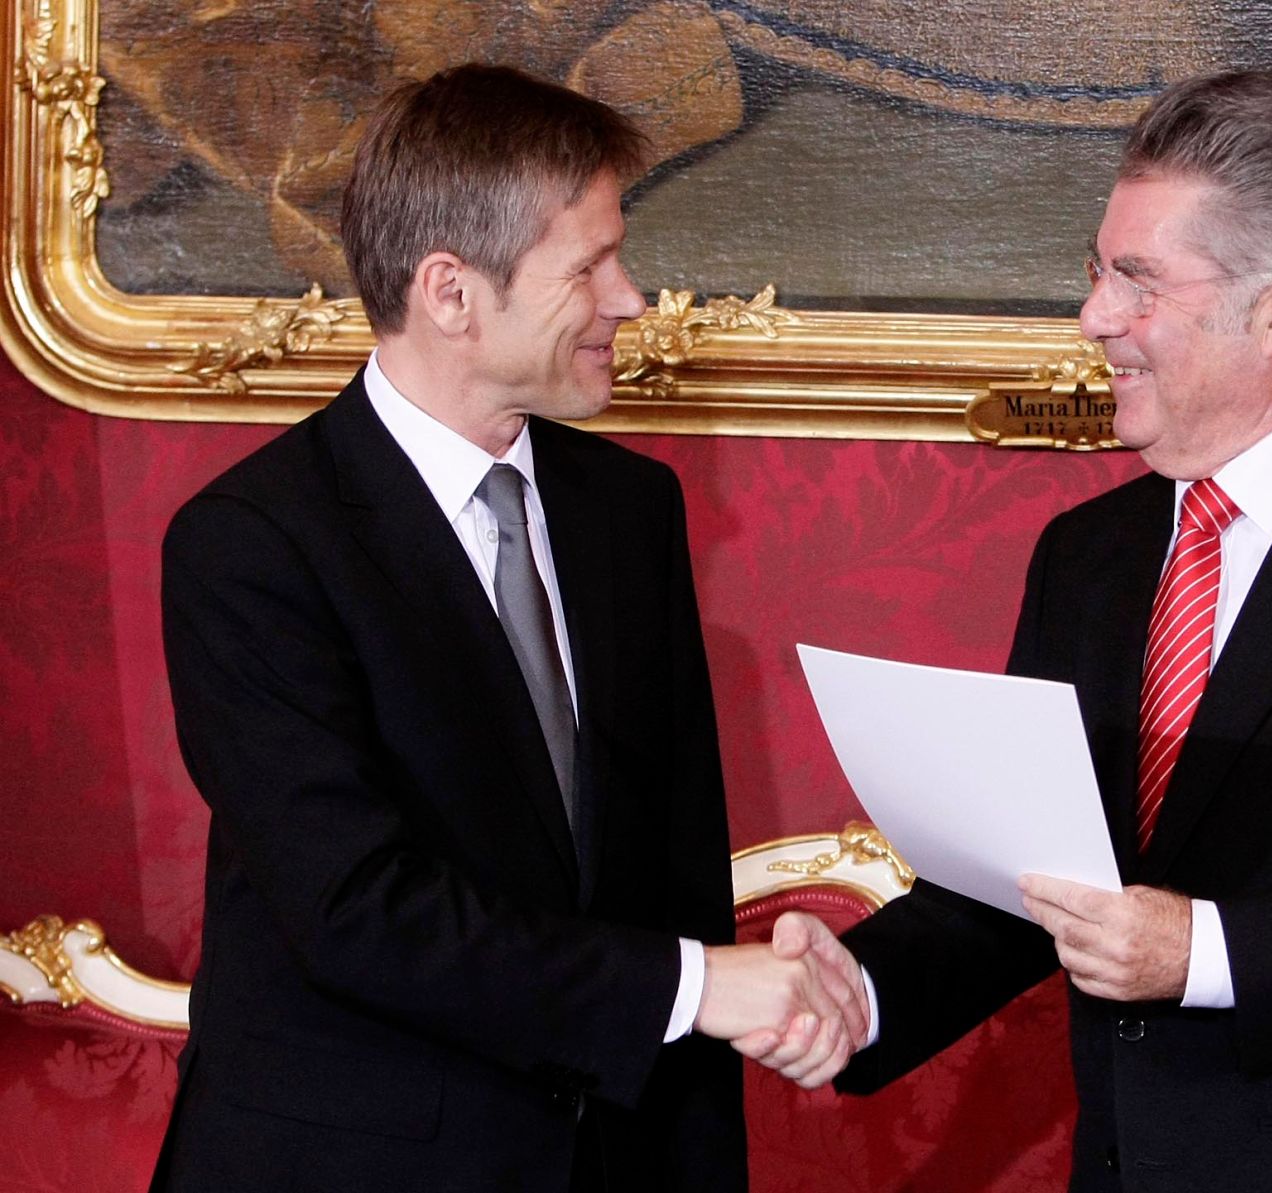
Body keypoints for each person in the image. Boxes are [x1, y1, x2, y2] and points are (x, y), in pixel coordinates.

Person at [747, 71, 1272, 1192]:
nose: (1094, 315)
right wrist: (858, 990)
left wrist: (1201, 951)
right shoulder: (1087, 553)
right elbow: (1036, 873)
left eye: (1136, 281)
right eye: (1096, 272)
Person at [151, 64, 861, 1193]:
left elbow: (668, 880)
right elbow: (355, 910)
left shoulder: (629, 510)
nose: (631, 297)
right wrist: (691, 986)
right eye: (589, 266)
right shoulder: (250, 546)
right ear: (450, 293)